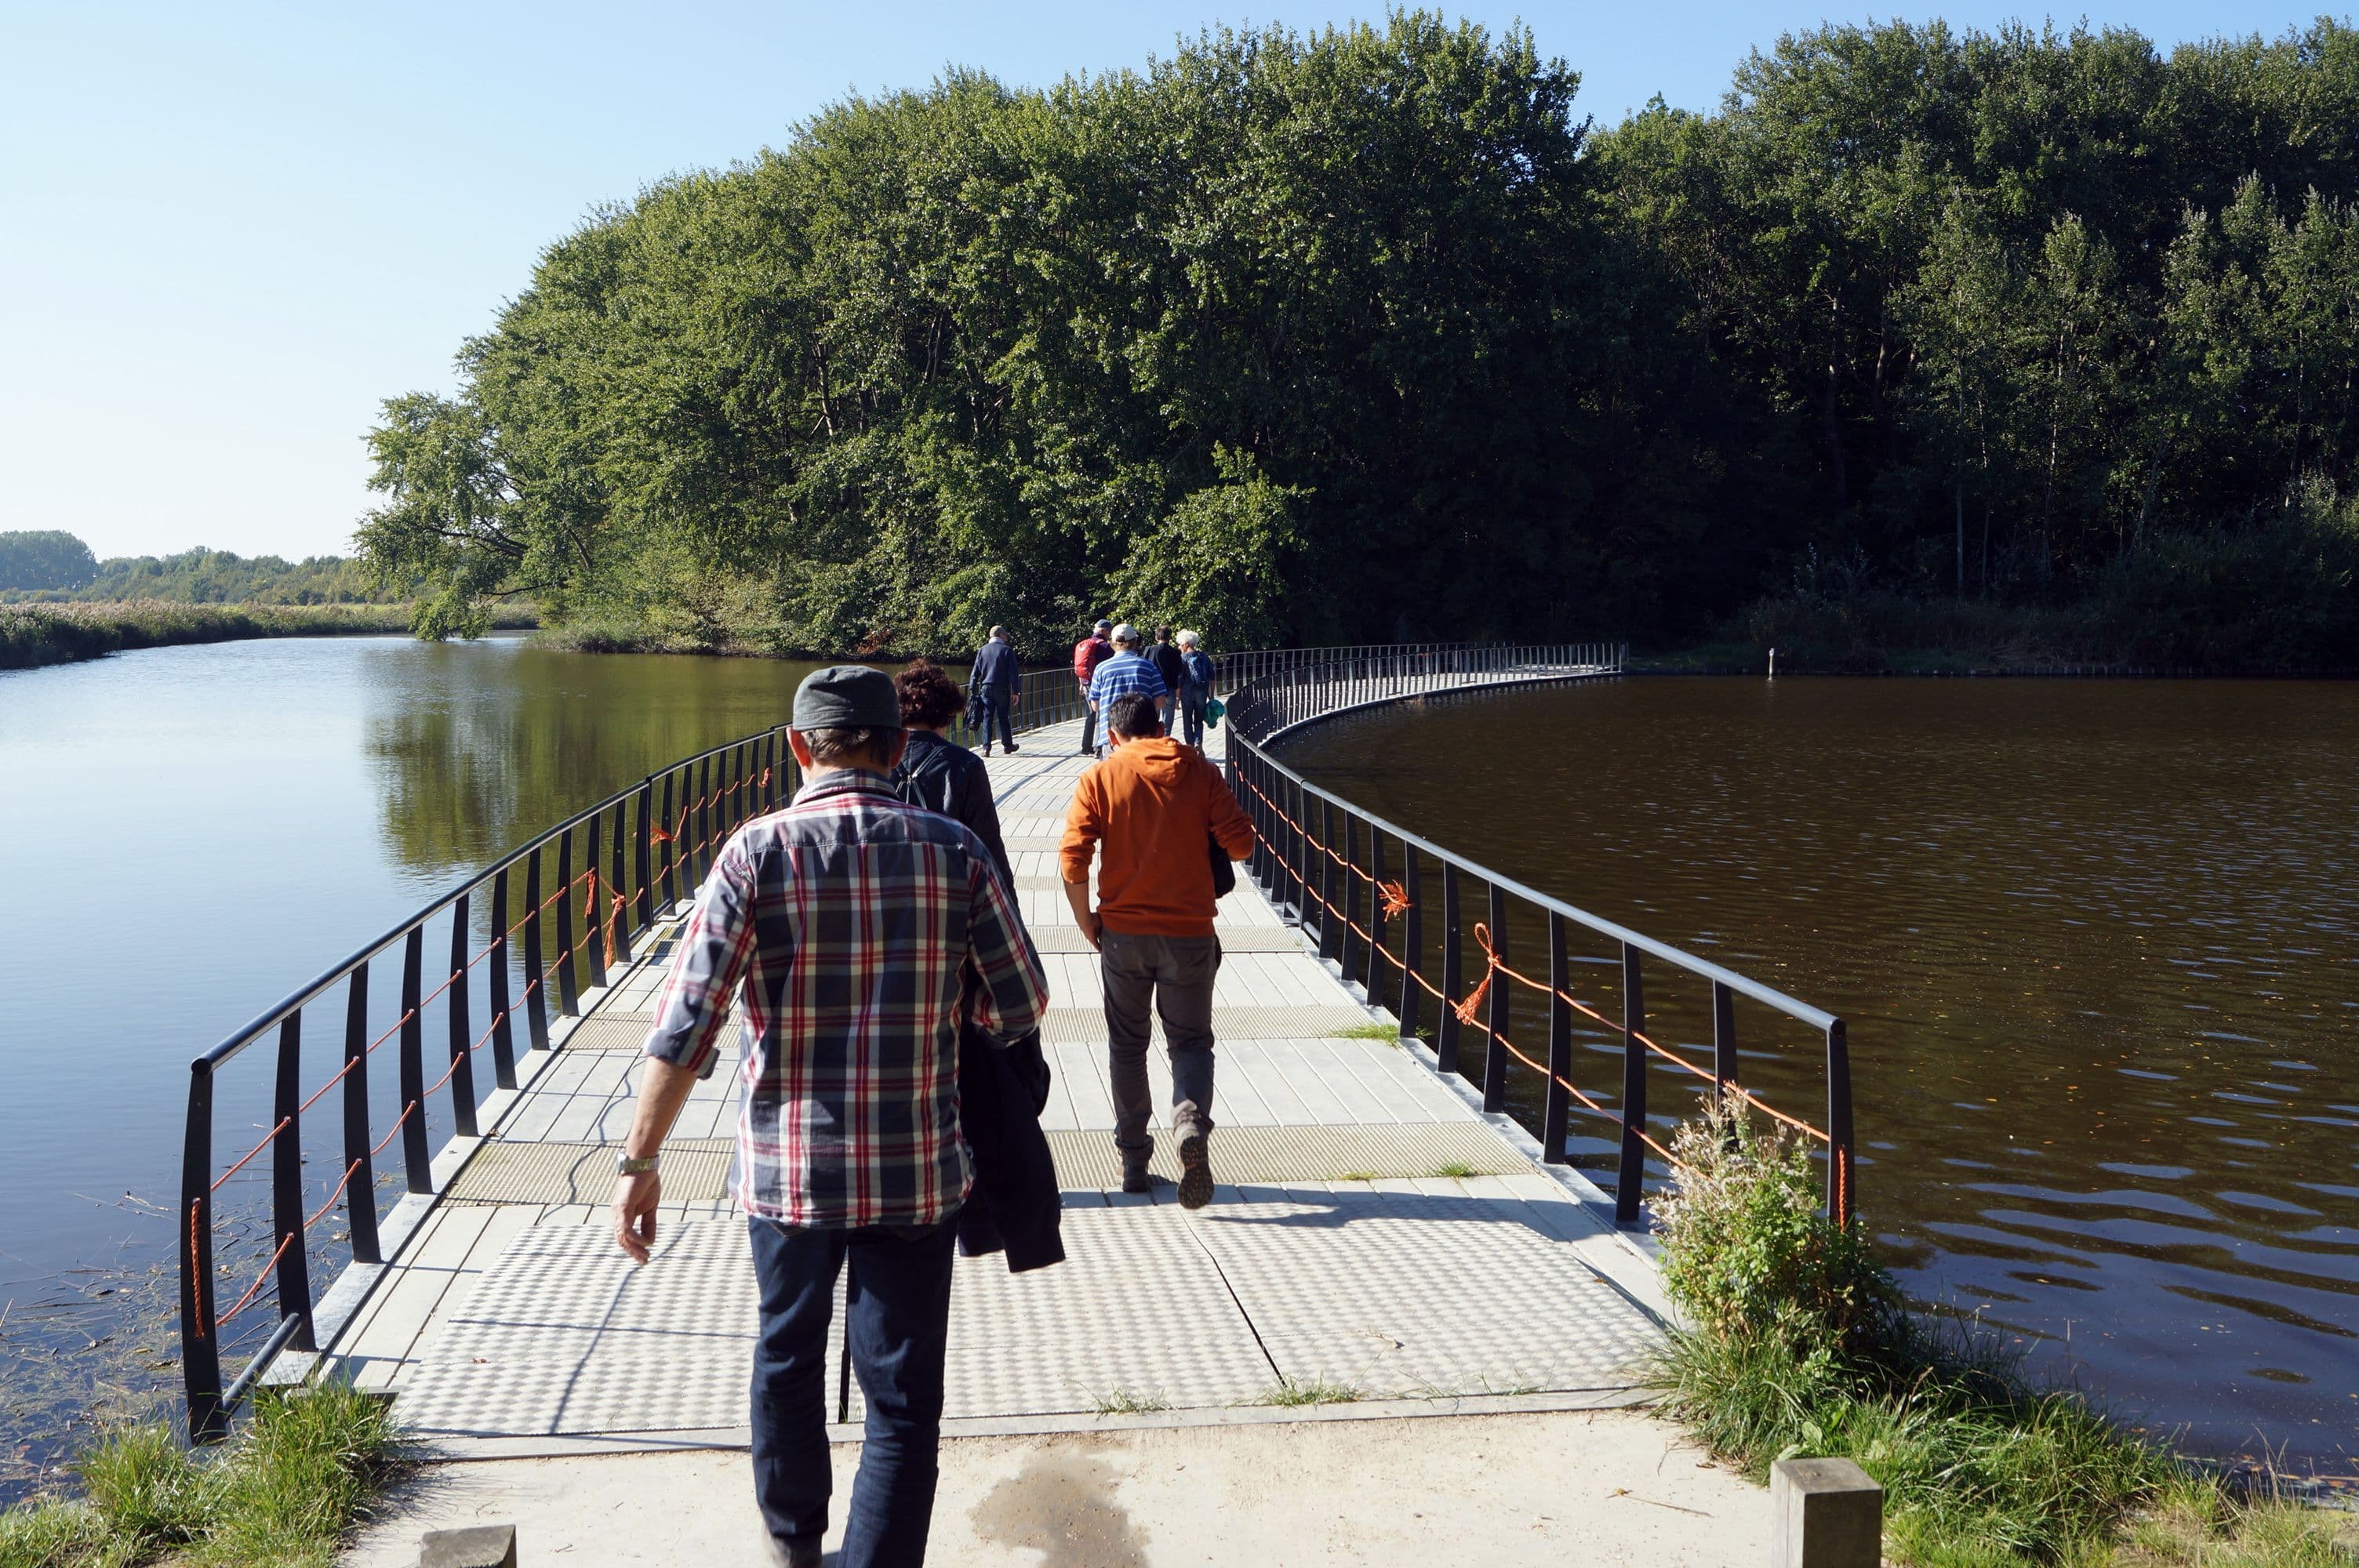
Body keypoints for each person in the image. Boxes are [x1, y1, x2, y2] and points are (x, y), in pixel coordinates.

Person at [613, 665, 1049, 1568]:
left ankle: (794, 1544)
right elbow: (1020, 1003)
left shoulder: (753, 852)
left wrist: (640, 1162)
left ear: (797, 746)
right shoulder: (955, 851)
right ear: (897, 748)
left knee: (786, 1355)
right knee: (901, 1398)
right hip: (916, 1166)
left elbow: (686, 1024)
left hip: (789, 1172)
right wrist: (942, 1003)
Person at [1059, 691, 1254, 1206]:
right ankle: (1189, 1124)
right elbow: (1242, 846)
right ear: (1161, 726)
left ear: (1113, 736)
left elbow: (1073, 859)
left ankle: (1134, 1161)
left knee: (1127, 1045)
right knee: (1190, 1043)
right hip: (1190, 934)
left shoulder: (1100, 777)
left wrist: (1086, 922)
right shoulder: (1200, 771)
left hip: (1122, 935)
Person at [891, 659, 1012, 887]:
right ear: (948, 713)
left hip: (889, 886)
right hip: (946, 887)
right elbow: (989, 846)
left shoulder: (877, 760)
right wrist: (1009, 902)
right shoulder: (966, 765)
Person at [1085, 622, 1168, 757]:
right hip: (1143, 735)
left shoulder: (1101, 669)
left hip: (1112, 736)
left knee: (1112, 771)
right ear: (1135, 642)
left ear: (1112, 643)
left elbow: (1095, 706)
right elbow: (1161, 702)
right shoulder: (1149, 667)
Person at [969, 626, 1020, 757]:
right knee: (1003, 717)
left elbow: (975, 672)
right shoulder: (1007, 650)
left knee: (987, 718)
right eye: (1005, 635)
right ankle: (1007, 746)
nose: (1007, 638)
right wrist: (1016, 692)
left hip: (986, 689)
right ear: (1001, 635)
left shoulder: (982, 650)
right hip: (1002, 689)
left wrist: (973, 690)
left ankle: (986, 748)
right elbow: (1013, 674)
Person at [1070, 619, 1114, 755]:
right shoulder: (1105, 647)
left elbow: (1081, 666)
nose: (1110, 635)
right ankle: (1098, 747)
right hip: (1100, 684)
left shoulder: (1084, 644)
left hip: (1086, 683)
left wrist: (1081, 684)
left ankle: (1086, 746)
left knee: (1092, 713)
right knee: (1101, 714)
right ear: (1104, 631)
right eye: (1109, 632)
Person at [1176, 630, 1216, 749]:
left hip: (1187, 693)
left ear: (1186, 644)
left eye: (1181, 644)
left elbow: (1179, 680)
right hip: (1202, 692)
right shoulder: (1203, 657)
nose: (1179, 647)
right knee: (1199, 720)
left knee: (1187, 721)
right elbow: (1212, 677)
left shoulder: (1182, 658)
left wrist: (1177, 699)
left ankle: (1190, 747)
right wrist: (1211, 695)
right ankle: (1198, 742)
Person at [1148, 625, 1187, 701]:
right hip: (1170, 688)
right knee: (1169, 708)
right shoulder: (1175, 652)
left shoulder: (1150, 650)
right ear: (1170, 637)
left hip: (1154, 688)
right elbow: (1179, 670)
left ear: (1156, 637)